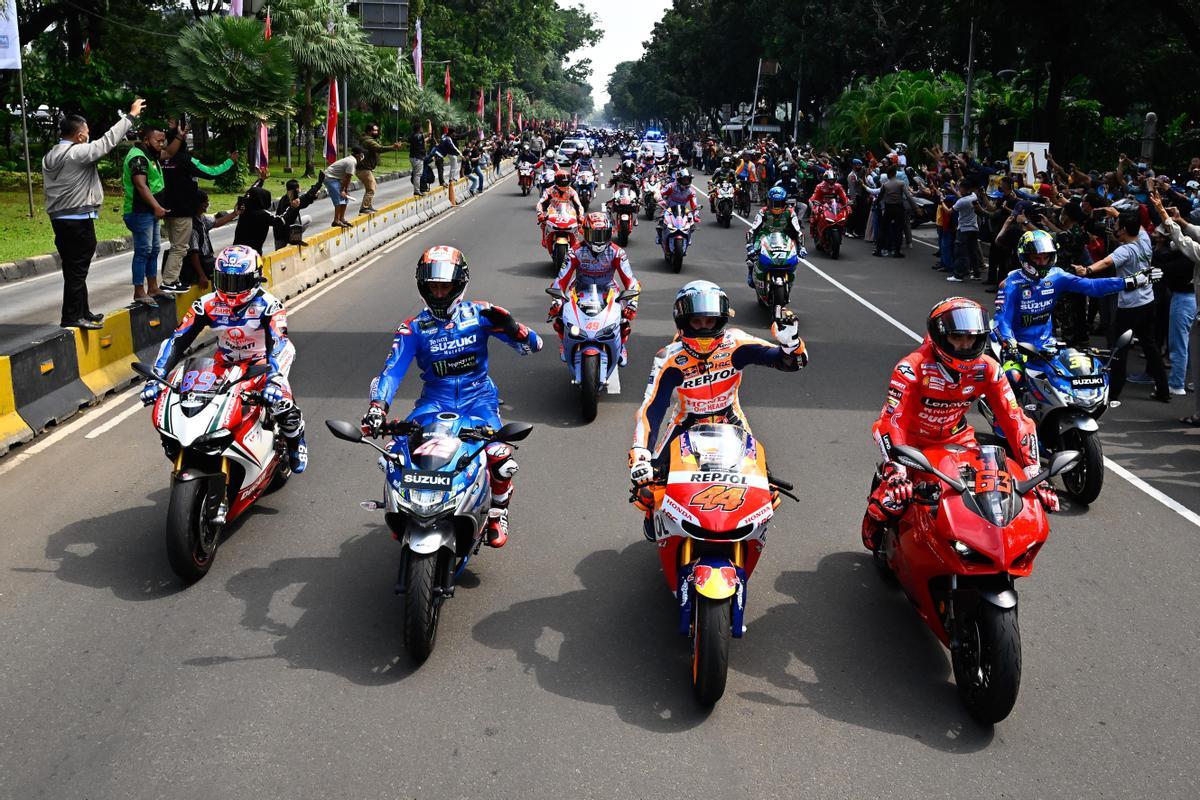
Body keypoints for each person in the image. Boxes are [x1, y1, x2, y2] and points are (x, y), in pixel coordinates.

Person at [360, 246, 543, 547]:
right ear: (423, 286)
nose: (440, 293)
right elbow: (391, 372)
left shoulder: (481, 314)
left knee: (500, 457)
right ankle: (403, 510)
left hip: (479, 399)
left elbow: (533, 347)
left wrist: (514, 328)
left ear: (459, 284)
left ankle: (498, 510)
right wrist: (377, 408)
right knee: (396, 452)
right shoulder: (412, 328)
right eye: (434, 286)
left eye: (446, 286)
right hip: (434, 402)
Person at [860, 297, 1058, 551]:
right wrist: (896, 468)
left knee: (991, 501)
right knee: (894, 500)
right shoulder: (911, 368)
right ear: (942, 336)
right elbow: (892, 420)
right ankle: (875, 522)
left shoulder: (989, 369)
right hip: (911, 443)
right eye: (958, 338)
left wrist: (1033, 471)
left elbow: (1015, 419)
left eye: (972, 339)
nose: (966, 346)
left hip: (957, 440)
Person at [628, 281, 807, 540]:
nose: (703, 328)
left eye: (710, 322)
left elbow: (791, 363)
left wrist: (792, 344)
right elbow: (651, 409)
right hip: (685, 423)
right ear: (683, 320)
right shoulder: (668, 358)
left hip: (731, 420)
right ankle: (659, 521)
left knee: (768, 492)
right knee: (648, 490)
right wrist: (640, 454)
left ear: (721, 320)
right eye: (697, 322)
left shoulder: (736, 342)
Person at [141, 245, 307, 474]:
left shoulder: (269, 306)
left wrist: (275, 378)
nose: (230, 289)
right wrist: (157, 377)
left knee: (281, 403)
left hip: (263, 362)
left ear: (255, 280)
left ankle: (296, 442)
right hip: (225, 362)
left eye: (237, 282)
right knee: (190, 398)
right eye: (225, 280)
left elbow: (278, 343)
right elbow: (177, 340)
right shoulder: (206, 304)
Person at [994, 230, 1153, 385]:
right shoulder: (1010, 284)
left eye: (1046, 257)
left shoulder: (1057, 276)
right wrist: (1010, 343)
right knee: (1013, 379)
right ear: (1025, 258)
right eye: (1037, 258)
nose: (1042, 262)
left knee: (1069, 381)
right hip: (1016, 348)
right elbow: (1002, 321)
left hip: (1047, 346)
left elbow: (1091, 286)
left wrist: (1128, 282)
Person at [43, 97, 145, 329]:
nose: (89, 135)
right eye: (87, 132)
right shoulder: (77, 153)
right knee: (78, 269)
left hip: (59, 219)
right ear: (79, 136)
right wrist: (130, 116)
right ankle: (72, 316)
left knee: (74, 268)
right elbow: (107, 142)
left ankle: (82, 311)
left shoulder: (50, 155)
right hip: (78, 219)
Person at [1072, 204, 1169, 401]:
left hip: (1130, 307)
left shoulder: (1127, 250)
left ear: (1123, 230)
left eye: (1117, 224)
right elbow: (1136, 225)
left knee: (1119, 349)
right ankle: (1163, 390)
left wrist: (1087, 271)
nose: (1114, 227)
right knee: (1150, 346)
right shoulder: (1145, 239)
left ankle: (1114, 392)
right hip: (1148, 301)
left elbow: (1106, 262)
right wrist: (1116, 213)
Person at [548, 212, 640, 363]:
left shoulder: (618, 252)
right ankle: (565, 342)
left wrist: (632, 302)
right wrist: (556, 301)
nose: (599, 240)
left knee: (624, 317)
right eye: (595, 235)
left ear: (610, 233)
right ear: (586, 233)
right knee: (560, 315)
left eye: (603, 235)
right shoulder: (574, 251)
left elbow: (631, 281)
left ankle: (621, 344)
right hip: (580, 287)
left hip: (608, 288)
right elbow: (561, 280)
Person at [158, 121, 238, 293]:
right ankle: (169, 281)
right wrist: (230, 162)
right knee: (180, 247)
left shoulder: (160, 158)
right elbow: (211, 173)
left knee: (175, 245)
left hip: (165, 209)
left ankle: (174, 279)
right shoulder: (186, 159)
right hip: (183, 210)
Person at [121, 125, 170, 306]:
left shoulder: (150, 155)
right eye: (158, 141)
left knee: (154, 249)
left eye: (162, 140)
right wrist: (157, 206)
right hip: (139, 212)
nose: (161, 144)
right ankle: (139, 291)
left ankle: (153, 287)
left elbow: (169, 153)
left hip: (150, 212)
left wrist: (179, 136)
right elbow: (141, 186)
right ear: (147, 140)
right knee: (143, 251)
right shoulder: (138, 157)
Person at [745, 186, 806, 286]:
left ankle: (789, 275)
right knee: (751, 257)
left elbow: (797, 231)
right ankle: (751, 271)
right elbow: (753, 230)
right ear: (769, 202)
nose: (776, 207)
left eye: (779, 203)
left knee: (794, 258)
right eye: (774, 203)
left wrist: (802, 247)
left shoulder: (790, 212)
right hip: (764, 235)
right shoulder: (763, 212)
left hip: (784, 237)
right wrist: (750, 246)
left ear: (784, 202)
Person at [185, 190, 238, 291]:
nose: (207, 204)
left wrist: (235, 213)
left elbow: (216, 223)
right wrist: (202, 275)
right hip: (200, 265)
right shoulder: (192, 227)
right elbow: (194, 253)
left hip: (207, 261)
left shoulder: (202, 218)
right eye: (205, 202)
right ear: (198, 204)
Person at [356, 123, 403, 213]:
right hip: (363, 169)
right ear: (369, 131)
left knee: (371, 187)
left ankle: (368, 205)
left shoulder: (366, 139)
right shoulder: (368, 141)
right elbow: (379, 148)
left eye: (377, 130)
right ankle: (365, 207)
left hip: (363, 168)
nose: (376, 132)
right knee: (371, 188)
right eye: (374, 130)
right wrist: (393, 147)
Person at [272, 174, 324, 251]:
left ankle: (295, 238)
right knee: (278, 254)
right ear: (296, 190)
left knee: (307, 218)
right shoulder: (292, 201)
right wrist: (319, 183)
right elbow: (307, 197)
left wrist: (313, 196)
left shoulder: (287, 197)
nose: (300, 190)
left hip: (282, 231)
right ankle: (294, 239)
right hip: (281, 234)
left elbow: (306, 198)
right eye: (299, 188)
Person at [948, 178, 984, 282]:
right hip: (974, 227)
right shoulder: (973, 196)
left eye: (960, 188)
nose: (959, 190)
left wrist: (942, 202)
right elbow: (961, 199)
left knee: (960, 252)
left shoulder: (962, 201)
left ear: (965, 189)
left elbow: (950, 211)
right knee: (972, 252)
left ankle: (958, 275)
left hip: (963, 229)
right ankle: (976, 274)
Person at [655, 168, 700, 244]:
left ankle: (688, 236)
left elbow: (694, 204)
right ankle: (659, 236)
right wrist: (660, 200)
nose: (686, 182)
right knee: (661, 222)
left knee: (691, 223)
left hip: (683, 210)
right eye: (684, 180)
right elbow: (659, 193)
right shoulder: (671, 186)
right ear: (679, 180)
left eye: (688, 179)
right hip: (668, 208)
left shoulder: (691, 191)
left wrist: (696, 214)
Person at [324, 147, 363, 228]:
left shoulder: (352, 160)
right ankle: (336, 220)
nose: (362, 157)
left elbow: (346, 177)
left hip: (337, 178)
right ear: (357, 155)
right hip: (330, 177)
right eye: (361, 155)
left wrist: (345, 190)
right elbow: (348, 178)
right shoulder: (352, 162)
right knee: (339, 198)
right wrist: (342, 190)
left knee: (345, 198)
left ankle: (342, 218)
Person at [408, 121, 429, 195]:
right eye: (421, 128)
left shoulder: (413, 135)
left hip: (412, 157)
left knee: (415, 173)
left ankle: (416, 189)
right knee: (418, 174)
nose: (422, 129)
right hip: (418, 157)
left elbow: (420, 142)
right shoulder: (420, 135)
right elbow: (429, 132)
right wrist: (429, 123)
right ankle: (416, 190)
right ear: (419, 129)